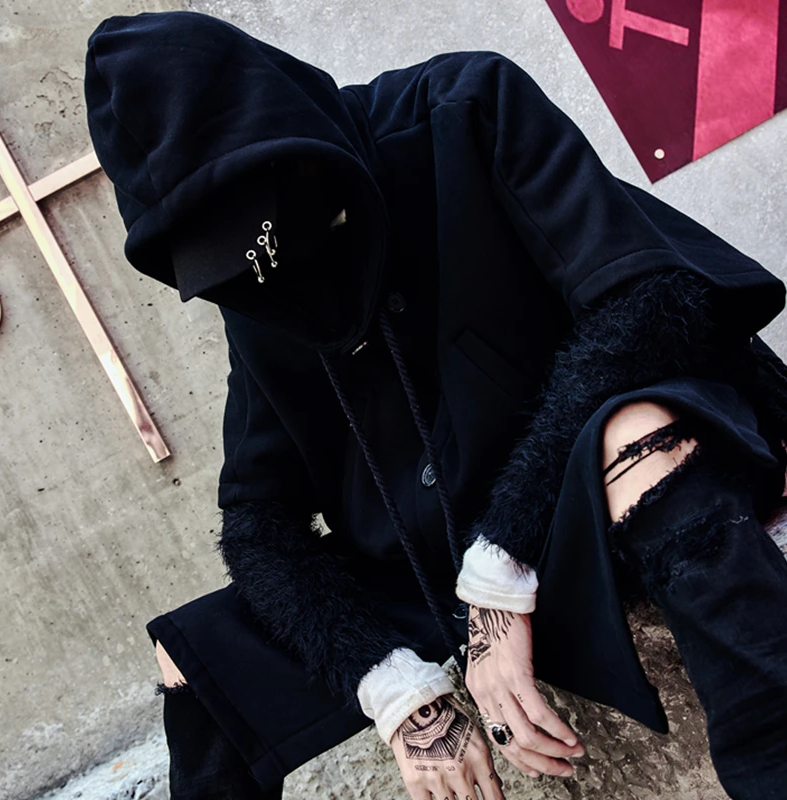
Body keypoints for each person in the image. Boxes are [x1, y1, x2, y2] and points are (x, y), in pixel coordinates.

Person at [84, 10, 787, 800]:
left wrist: (502, 560)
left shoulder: (463, 108)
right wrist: (385, 681)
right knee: (191, 653)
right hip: (422, 571)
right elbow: (256, 521)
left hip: (565, 502)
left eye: (264, 230)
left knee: (637, 437)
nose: (268, 266)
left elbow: (648, 299)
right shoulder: (258, 286)